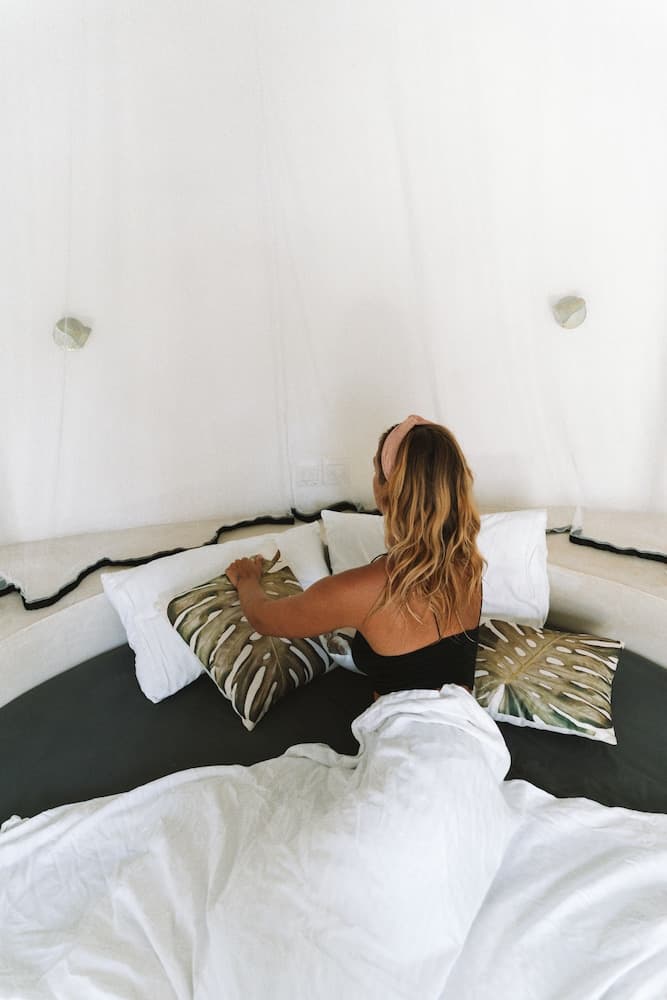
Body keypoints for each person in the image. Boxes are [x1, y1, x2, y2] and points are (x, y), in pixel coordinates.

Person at [225, 415, 485, 699]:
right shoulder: (470, 569)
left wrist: (246, 579)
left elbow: (263, 618)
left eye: (376, 471)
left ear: (387, 491)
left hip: (401, 728)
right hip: (471, 725)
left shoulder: (360, 591)